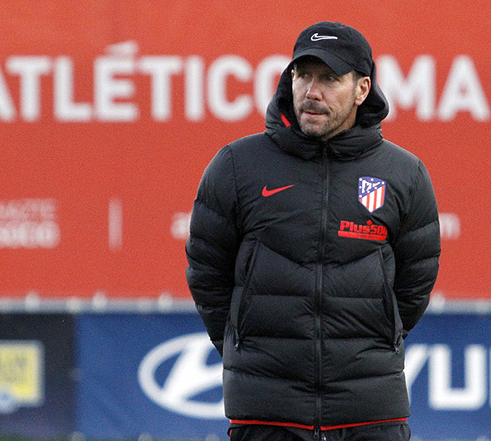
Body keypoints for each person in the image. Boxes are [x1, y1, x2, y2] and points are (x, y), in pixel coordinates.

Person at [186, 21, 440, 441]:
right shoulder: (237, 166)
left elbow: (414, 283)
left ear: (362, 89)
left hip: (369, 411)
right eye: (302, 75)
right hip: (268, 413)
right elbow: (207, 273)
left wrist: (371, 343)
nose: (311, 91)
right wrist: (245, 345)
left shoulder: (403, 174)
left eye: (329, 78)